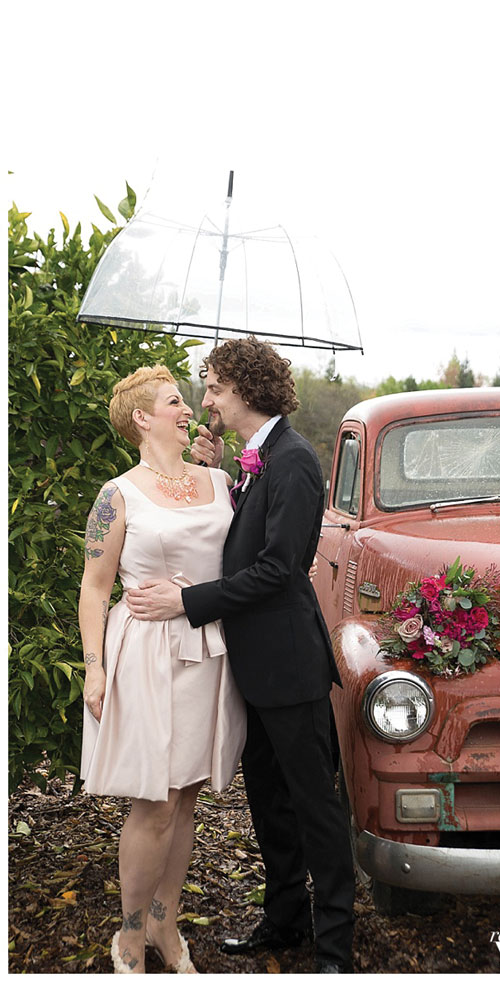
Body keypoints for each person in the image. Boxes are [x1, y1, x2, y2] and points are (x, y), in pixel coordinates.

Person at [126, 337, 355, 973]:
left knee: (315, 807)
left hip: (290, 665)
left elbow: (279, 569)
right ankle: (285, 920)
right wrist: (222, 474)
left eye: (214, 389)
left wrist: (187, 601)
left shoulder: (294, 461)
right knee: (270, 803)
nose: (205, 402)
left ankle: (335, 946)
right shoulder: (258, 460)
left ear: (246, 392)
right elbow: (240, 541)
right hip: (249, 666)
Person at [79, 365, 246, 974]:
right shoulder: (117, 494)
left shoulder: (219, 479)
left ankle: (164, 922)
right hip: (146, 654)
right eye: (175, 401)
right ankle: (128, 933)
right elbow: (94, 589)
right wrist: (94, 668)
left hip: (208, 650)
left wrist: (224, 462)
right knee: (155, 800)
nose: (189, 409)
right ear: (142, 418)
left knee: (187, 794)